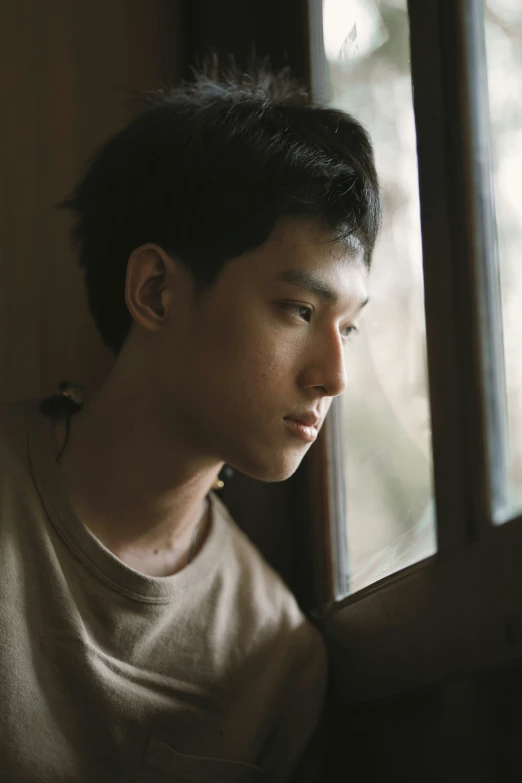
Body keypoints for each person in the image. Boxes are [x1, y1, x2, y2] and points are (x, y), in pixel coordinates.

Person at [0, 59, 380, 782]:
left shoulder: (275, 658)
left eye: (348, 328)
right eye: (300, 311)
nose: (333, 375)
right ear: (155, 291)